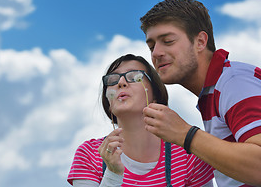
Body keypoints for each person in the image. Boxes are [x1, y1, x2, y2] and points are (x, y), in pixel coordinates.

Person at [140, 0, 261, 187]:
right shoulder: (215, 91)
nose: (156, 53)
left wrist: (185, 134)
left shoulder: (233, 82)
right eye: (152, 46)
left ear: (200, 41)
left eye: (168, 41)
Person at [67, 54, 214, 186]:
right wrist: (112, 175)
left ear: (155, 94)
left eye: (134, 76)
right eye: (112, 79)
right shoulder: (90, 154)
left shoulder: (188, 155)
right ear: (109, 103)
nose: (121, 83)